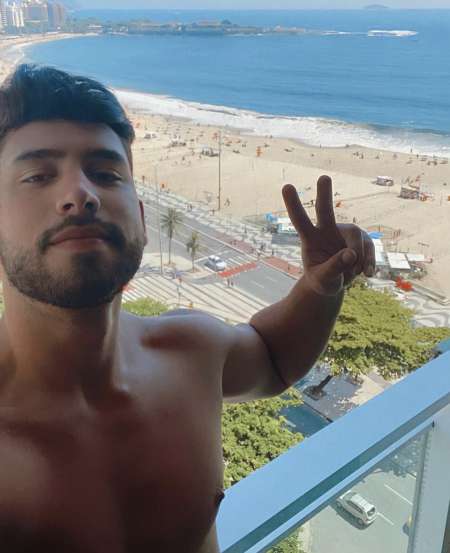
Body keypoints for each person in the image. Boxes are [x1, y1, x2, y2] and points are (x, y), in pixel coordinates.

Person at [0, 64, 375, 553]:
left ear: (141, 220)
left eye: (106, 174)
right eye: (38, 175)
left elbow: (271, 357)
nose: (81, 194)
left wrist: (319, 287)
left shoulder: (189, 352)